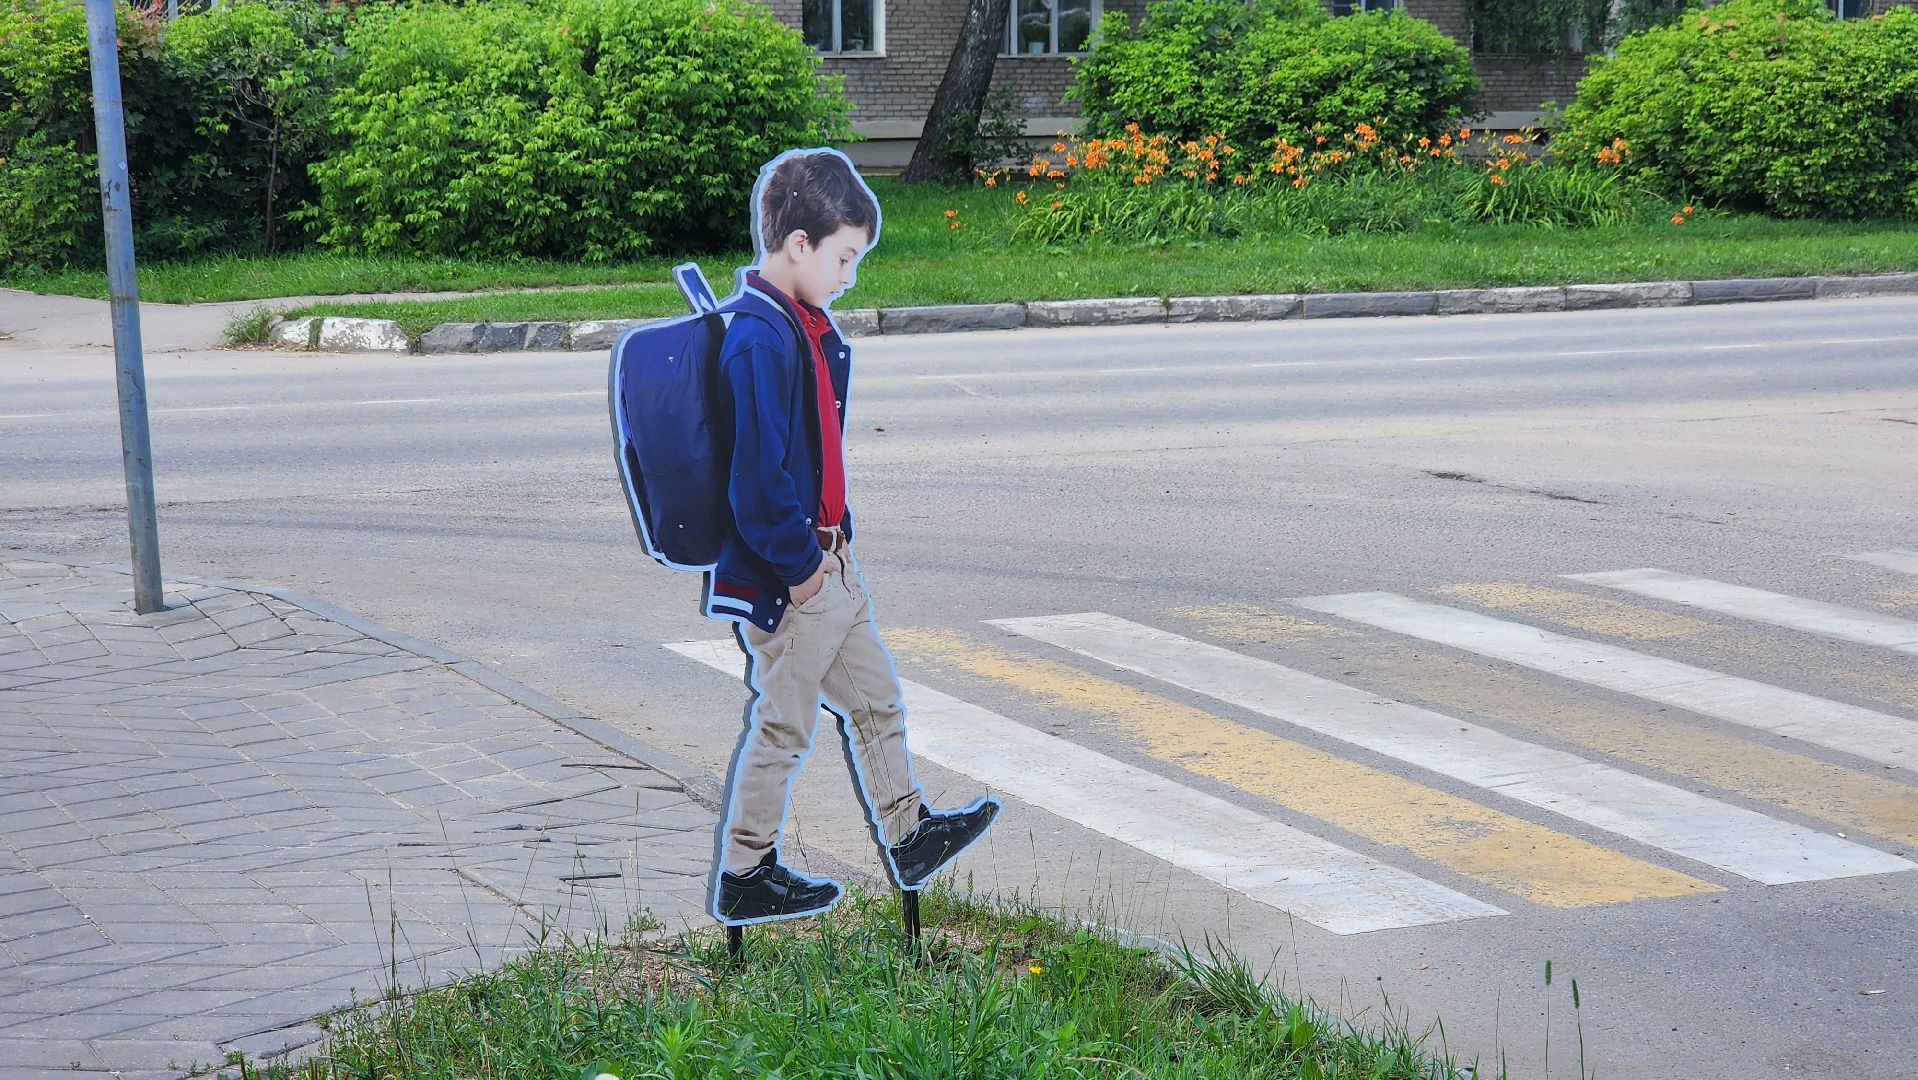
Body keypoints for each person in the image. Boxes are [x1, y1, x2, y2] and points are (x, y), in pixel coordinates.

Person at [703, 148, 1000, 926]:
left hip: (831, 558)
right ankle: (746, 869)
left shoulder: (803, 323)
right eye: (843, 257)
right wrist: (804, 571)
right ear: (798, 245)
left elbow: (819, 452)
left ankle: (910, 834)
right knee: (785, 724)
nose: (849, 275)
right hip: (793, 574)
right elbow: (756, 482)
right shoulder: (760, 338)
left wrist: (837, 546)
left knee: (877, 702)